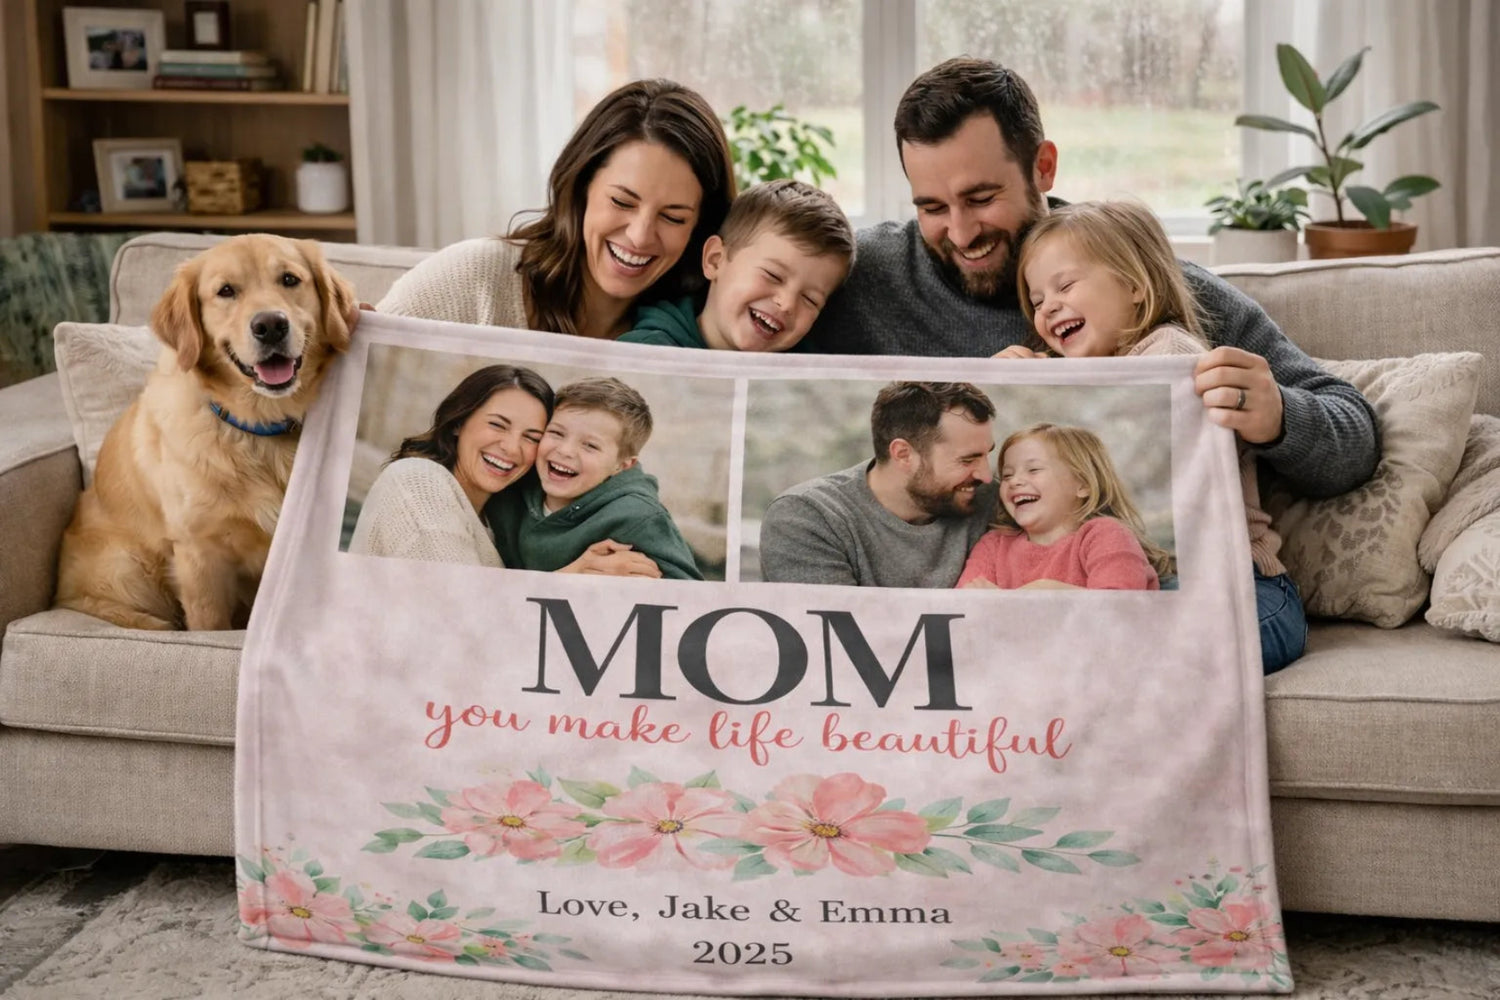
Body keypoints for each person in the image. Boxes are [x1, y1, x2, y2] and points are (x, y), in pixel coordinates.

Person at [802, 56, 1379, 504]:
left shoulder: (1142, 286)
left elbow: (1354, 436)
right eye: (931, 206)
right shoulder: (866, 274)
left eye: (981, 198)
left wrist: (1278, 416)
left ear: (1043, 167)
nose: (959, 231)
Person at [1005, 200, 1307, 671]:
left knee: (1179, 646)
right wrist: (1008, 378)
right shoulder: (1072, 374)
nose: (1049, 308)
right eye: (1038, 301)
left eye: (1064, 285)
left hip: (1243, 583)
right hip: (1162, 582)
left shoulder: (1172, 351)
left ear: (1135, 287)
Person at [377, 79, 736, 340]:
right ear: (581, 188)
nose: (640, 236)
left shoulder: (695, 328)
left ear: (701, 230)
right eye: (621, 202)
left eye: (673, 217)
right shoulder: (474, 278)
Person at [759, 381, 997, 588]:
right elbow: (838, 633)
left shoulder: (993, 499)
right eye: (968, 459)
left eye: (987, 455)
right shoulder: (806, 517)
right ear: (903, 454)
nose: (986, 476)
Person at [487, 377, 704, 580]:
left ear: (623, 465)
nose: (566, 451)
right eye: (557, 433)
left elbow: (692, 596)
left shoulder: (638, 517)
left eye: (590, 445)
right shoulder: (512, 484)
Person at [349, 365, 553, 566]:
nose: (512, 448)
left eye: (532, 438)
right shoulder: (418, 480)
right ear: (458, 423)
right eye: (497, 425)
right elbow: (455, 594)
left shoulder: (499, 523)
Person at [618, 178, 853, 351]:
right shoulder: (644, 352)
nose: (787, 303)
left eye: (810, 299)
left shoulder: (807, 376)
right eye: (773, 275)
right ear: (715, 260)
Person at [958, 423, 1165, 592]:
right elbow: (963, 606)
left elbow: (1122, 609)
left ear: (1083, 485)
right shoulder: (994, 545)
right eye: (1007, 475)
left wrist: (1047, 592)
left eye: (1033, 469)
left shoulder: (1106, 535)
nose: (1014, 481)